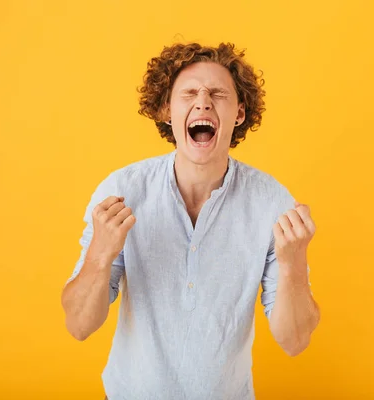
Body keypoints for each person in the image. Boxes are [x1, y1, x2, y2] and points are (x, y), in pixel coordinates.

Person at [60, 42, 320, 400]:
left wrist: (294, 264)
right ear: (168, 110)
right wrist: (100, 255)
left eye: (217, 93)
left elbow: (294, 342)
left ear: (240, 113)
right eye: (189, 93)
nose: (203, 101)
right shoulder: (122, 191)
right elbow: (78, 326)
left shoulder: (272, 202)